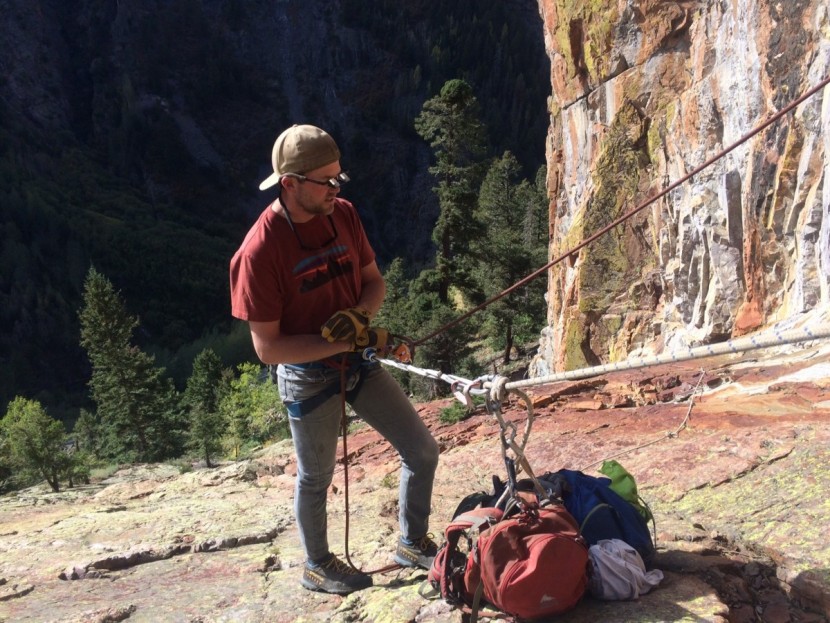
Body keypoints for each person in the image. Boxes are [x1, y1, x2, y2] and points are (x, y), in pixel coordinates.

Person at [229, 124, 440, 595]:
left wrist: (359, 318)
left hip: (358, 362)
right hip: (308, 377)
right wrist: (344, 341)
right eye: (326, 180)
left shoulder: (342, 214)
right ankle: (318, 564)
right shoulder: (259, 252)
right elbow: (268, 348)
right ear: (290, 183)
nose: (336, 188)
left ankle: (411, 542)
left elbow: (374, 283)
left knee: (422, 450)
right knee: (317, 477)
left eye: (338, 177)